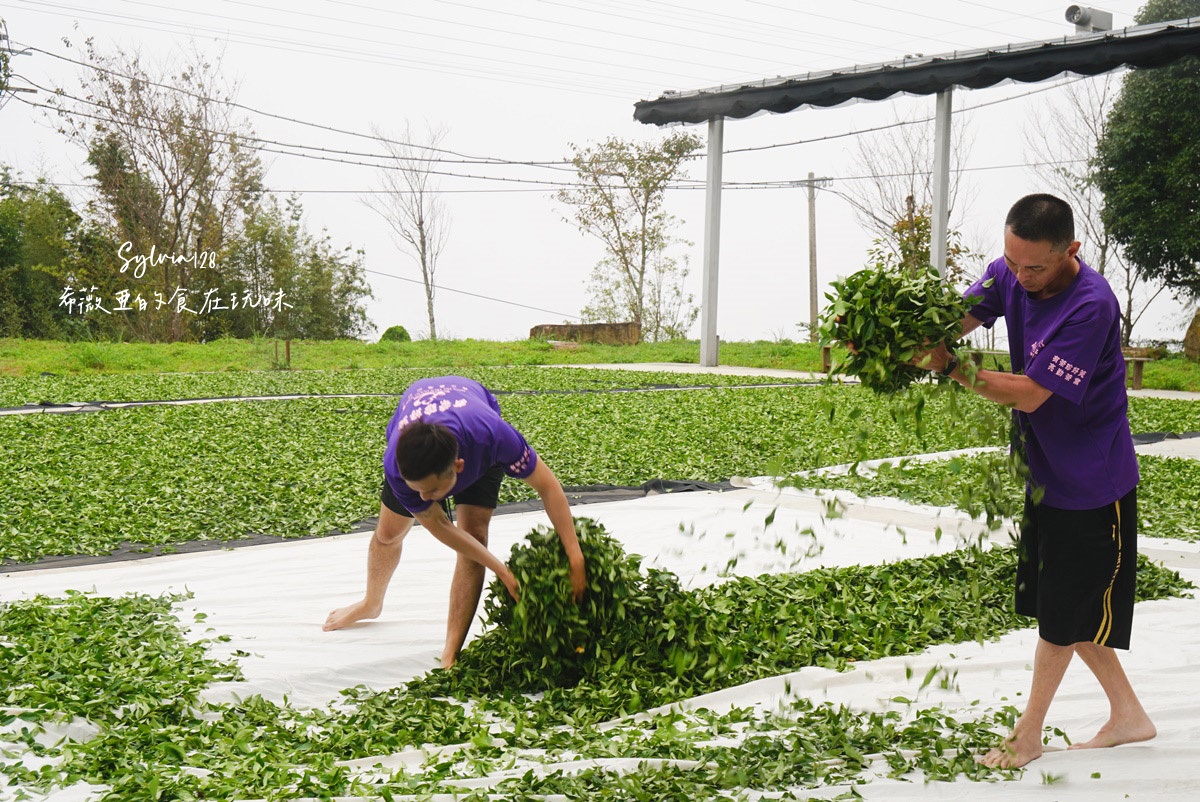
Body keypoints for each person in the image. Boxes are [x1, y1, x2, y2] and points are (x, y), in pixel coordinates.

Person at [913, 193, 1154, 768]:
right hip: (1044, 469)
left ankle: (1028, 733)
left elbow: (1030, 393)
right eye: (1012, 262)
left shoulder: (1092, 305)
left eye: (1035, 268)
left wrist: (947, 364)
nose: (1021, 278)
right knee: (1068, 603)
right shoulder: (1011, 273)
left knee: (1060, 610)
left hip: (1092, 482)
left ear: (1070, 250)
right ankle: (1128, 716)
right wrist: (891, 340)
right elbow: (951, 322)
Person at [324, 375, 586, 668]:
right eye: (418, 490)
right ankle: (371, 602)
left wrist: (574, 555)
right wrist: (501, 570)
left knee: (474, 536)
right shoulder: (399, 466)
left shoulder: (495, 437)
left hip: (474, 432)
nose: (425, 498)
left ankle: (450, 653)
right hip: (419, 440)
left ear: (458, 467)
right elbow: (442, 527)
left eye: (432, 491)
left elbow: (548, 486)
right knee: (388, 535)